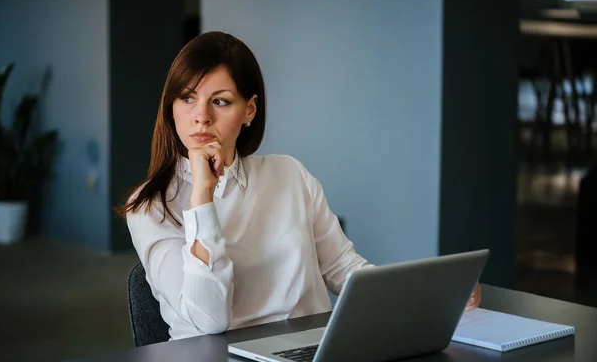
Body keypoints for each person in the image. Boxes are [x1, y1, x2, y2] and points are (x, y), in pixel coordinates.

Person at [119, 31, 481, 340]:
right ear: (171, 107)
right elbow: (208, 321)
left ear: (249, 110)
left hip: (310, 355)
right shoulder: (150, 206)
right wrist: (202, 198)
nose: (201, 116)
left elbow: (343, 268)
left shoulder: (289, 174)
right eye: (187, 98)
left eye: (220, 101)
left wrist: (432, 297)